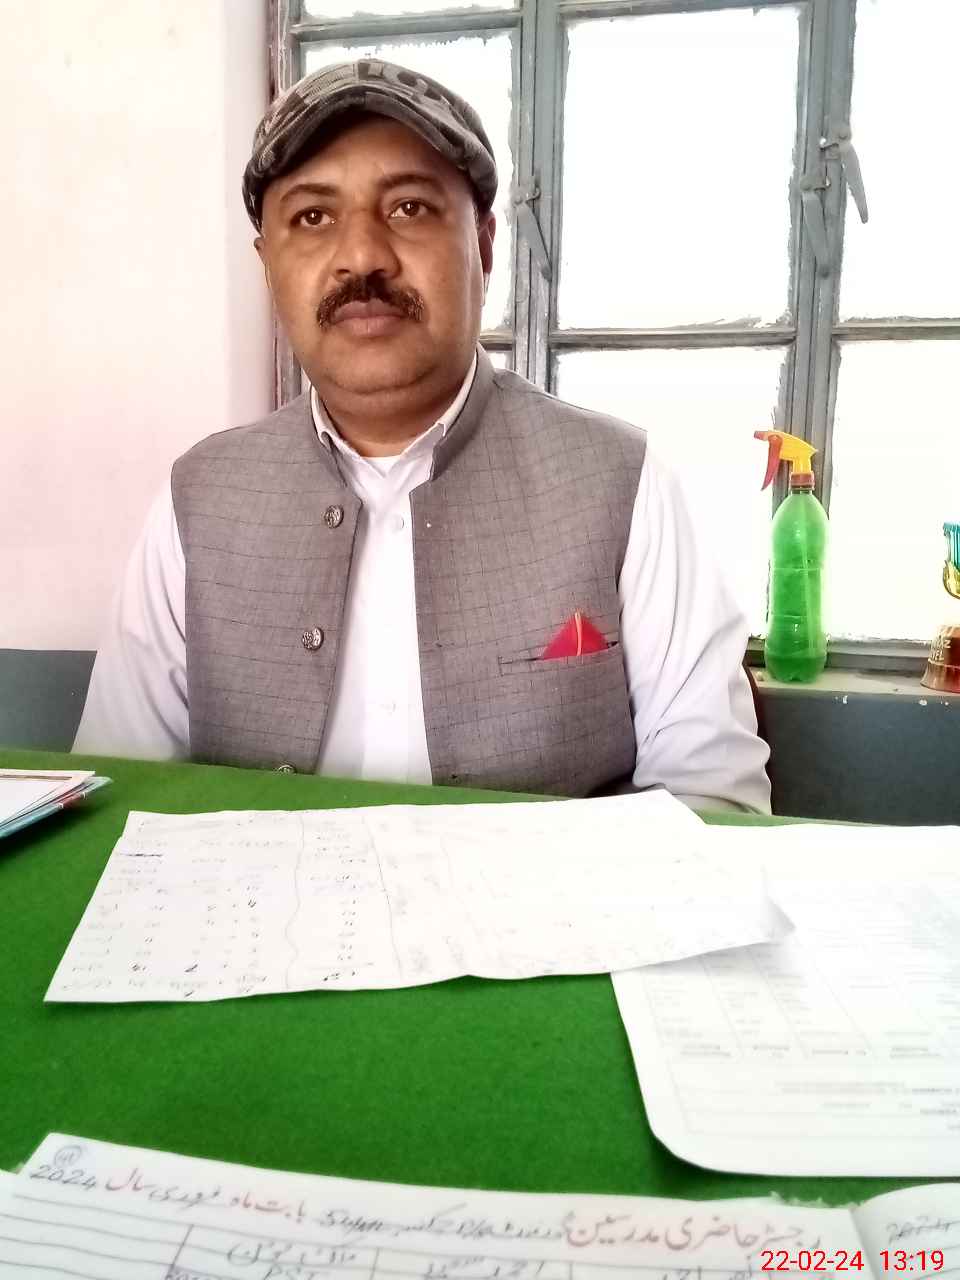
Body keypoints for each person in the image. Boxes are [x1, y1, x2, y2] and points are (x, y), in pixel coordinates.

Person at [75, 59, 771, 813]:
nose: (362, 256)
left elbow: (715, 804)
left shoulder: (622, 482)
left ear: (484, 246)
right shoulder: (198, 501)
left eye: (409, 208)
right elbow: (119, 802)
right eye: (312, 218)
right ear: (267, 265)